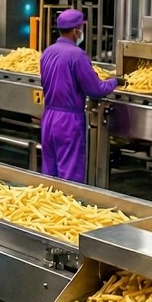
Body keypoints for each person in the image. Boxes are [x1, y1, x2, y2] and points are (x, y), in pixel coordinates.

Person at [38, 9, 118, 182]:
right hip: (68, 121)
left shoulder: (47, 52)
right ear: (76, 31)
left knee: (49, 173)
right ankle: (67, 208)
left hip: (49, 117)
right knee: (69, 175)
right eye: (81, 28)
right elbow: (95, 89)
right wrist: (114, 82)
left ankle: (49, 206)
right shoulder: (77, 55)